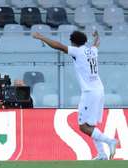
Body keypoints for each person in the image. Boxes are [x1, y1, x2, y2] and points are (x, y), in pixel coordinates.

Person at [32, 31, 117, 160]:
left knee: (83, 126)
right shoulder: (92, 51)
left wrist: (41, 37)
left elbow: (58, 46)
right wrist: (96, 37)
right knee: (90, 125)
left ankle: (110, 141)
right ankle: (102, 154)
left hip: (89, 92)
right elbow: (97, 44)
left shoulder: (78, 52)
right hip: (99, 89)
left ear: (73, 42)